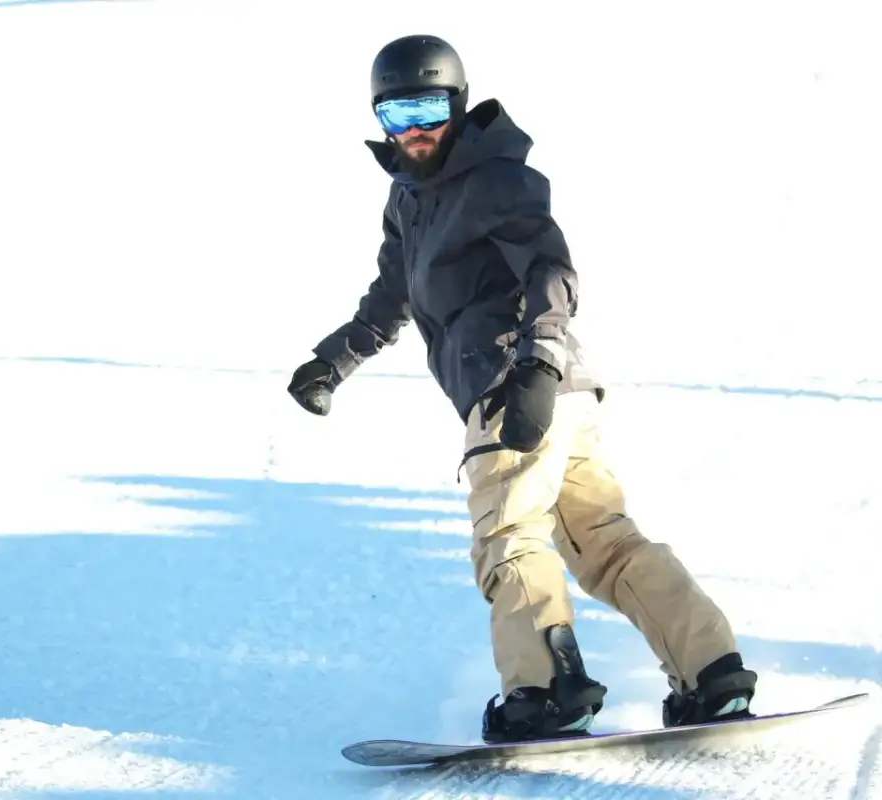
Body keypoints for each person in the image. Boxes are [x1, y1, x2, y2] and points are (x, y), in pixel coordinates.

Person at [285, 34, 759, 743]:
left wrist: (535, 367)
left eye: (428, 109)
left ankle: (544, 692)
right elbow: (391, 296)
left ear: (458, 104)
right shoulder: (409, 199)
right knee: (603, 541)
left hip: (516, 383)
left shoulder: (497, 180)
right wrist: (331, 362)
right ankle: (711, 671)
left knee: (509, 537)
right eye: (398, 114)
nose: (415, 131)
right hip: (560, 393)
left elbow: (551, 272)